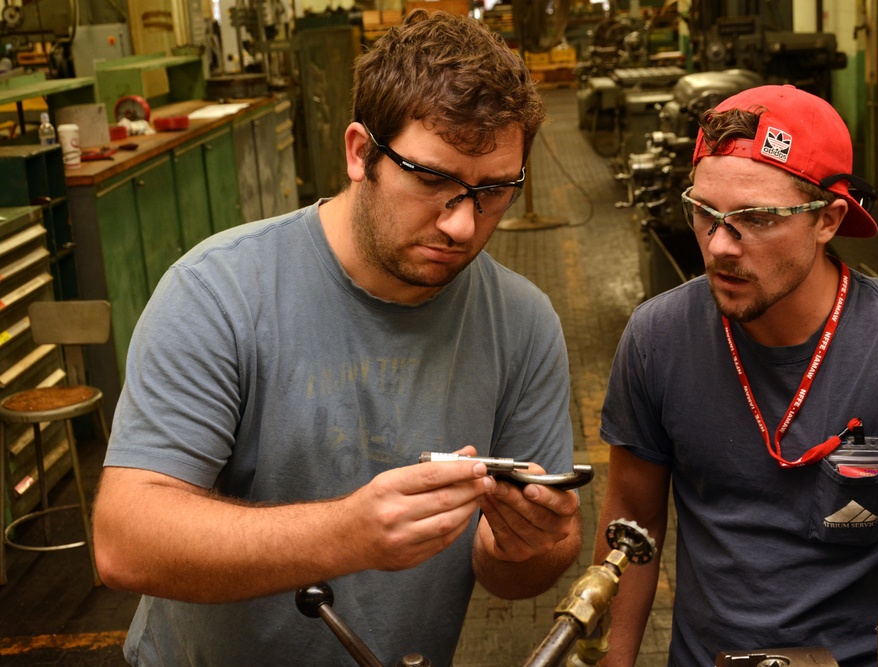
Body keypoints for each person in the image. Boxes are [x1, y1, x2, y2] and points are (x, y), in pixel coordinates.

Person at [92, 10, 583, 666]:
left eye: (492, 190)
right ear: (360, 152)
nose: (463, 224)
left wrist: (528, 546)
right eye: (433, 180)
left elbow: (511, 574)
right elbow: (126, 540)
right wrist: (348, 534)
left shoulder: (521, 323)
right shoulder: (222, 291)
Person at [594, 84, 878, 667]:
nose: (719, 246)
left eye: (755, 219)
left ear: (828, 220)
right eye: (705, 213)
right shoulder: (659, 339)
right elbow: (632, 524)